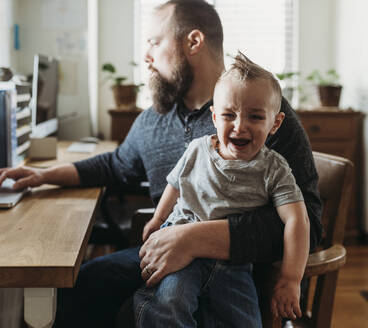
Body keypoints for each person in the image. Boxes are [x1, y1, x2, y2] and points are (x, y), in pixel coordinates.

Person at [0, 0, 322, 326]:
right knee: (81, 286)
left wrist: (195, 238)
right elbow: (116, 165)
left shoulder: (257, 119)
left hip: (242, 273)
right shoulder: (154, 120)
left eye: (154, 42)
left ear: (193, 41)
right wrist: (42, 175)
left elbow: (309, 222)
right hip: (169, 255)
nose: (146, 56)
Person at [133, 52, 310, 327]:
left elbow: (297, 219)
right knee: (169, 303)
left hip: (233, 262)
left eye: (255, 116)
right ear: (215, 117)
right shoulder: (197, 150)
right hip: (180, 248)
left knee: (247, 322)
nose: (240, 126)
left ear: (275, 123)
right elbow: (174, 185)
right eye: (229, 115)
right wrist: (157, 219)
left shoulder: (275, 168)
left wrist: (291, 278)